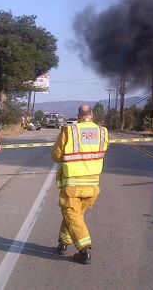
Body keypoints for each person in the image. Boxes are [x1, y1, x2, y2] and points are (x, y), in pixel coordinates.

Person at [51, 104, 109, 264]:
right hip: (92, 185)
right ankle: (63, 243)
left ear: (78, 116)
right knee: (74, 215)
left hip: (73, 184)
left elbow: (56, 156)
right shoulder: (103, 132)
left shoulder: (69, 131)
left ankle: (84, 249)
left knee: (71, 213)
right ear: (92, 115)